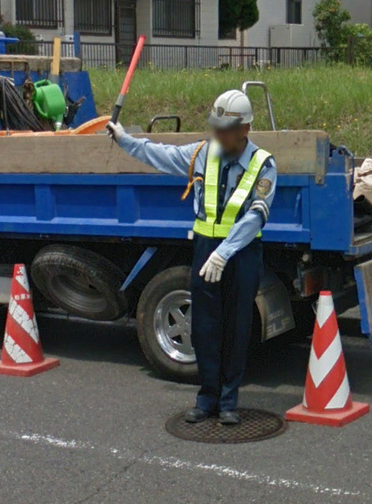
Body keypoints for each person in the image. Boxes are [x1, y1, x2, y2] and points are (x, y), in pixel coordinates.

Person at [106, 91, 277, 426]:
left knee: (236, 328)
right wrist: (125, 140)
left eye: (226, 129)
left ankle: (229, 400)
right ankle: (207, 398)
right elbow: (159, 155)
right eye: (216, 127)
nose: (219, 134)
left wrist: (224, 253)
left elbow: (257, 215)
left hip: (240, 254)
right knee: (204, 328)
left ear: (245, 128)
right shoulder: (202, 153)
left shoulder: (263, 164)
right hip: (204, 249)